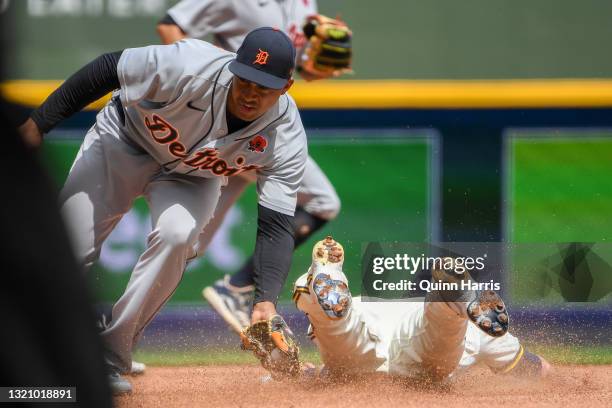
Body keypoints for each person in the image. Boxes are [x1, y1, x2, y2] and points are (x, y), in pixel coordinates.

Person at [19, 27, 308, 395]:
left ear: (286, 86)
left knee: (178, 235)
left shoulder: (286, 136)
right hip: (123, 139)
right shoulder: (188, 66)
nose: (251, 92)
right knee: (70, 245)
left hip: (193, 177)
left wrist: (265, 300)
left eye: (264, 86)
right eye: (246, 79)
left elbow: (275, 226)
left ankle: (109, 356)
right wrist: (38, 124)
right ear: (235, 68)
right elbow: (110, 67)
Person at [156, 0, 346, 333]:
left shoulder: (304, 4)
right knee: (323, 202)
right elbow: (171, 23)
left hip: (263, 128)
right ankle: (237, 288)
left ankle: (113, 326)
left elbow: (293, 71)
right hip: (225, 123)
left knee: (189, 244)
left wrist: (315, 68)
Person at [293, 237, 552, 382]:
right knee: (445, 331)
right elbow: (533, 369)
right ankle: (452, 301)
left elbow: (324, 356)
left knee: (336, 323)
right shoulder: (478, 329)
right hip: (423, 369)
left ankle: (320, 276)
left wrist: (301, 372)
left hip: (359, 358)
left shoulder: (360, 304)